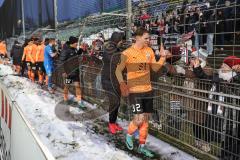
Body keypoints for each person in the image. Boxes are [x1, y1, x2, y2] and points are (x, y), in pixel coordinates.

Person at [115, 27, 168, 157]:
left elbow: (155, 68)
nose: (148, 40)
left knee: (145, 120)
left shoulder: (149, 50)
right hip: (135, 92)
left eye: (149, 38)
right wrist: (122, 83)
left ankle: (142, 146)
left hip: (148, 90)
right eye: (146, 38)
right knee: (138, 119)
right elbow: (118, 71)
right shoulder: (127, 53)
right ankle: (129, 135)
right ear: (137, 38)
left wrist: (163, 57)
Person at [102, 32, 127, 134]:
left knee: (117, 102)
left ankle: (113, 122)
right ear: (117, 40)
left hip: (114, 80)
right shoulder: (109, 49)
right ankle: (111, 123)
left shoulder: (114, 48)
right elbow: (116, 59)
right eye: (121, 40)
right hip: (108, 80)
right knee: (114, 102)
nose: (122, 42)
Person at [59, 36, 84, 108]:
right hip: (68, 73)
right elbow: (61, 62)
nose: (77, 43)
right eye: (76, 42)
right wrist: (64, 72)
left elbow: (75, 56)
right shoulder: (65, 50)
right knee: (67, 86)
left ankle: (79, 101)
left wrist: (80, 50)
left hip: (75, 71)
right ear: (72, 43)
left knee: (78, 86)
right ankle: (65, 98)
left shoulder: (75, 49)